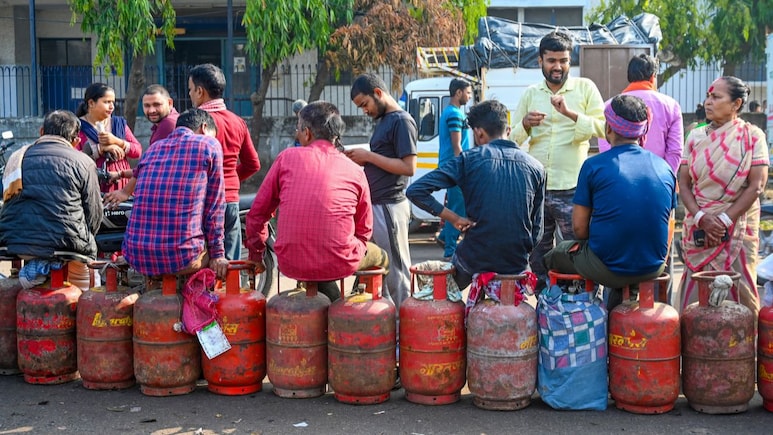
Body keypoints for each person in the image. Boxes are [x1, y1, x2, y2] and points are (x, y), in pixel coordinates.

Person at [245, 101, 389, 302]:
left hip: (290, 263)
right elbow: (365, 230)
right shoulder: (355, 170)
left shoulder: (286, 158)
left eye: (298, 129)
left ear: (307, 133)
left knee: (320, 265)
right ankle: (355, 303)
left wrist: (256, 256)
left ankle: (338, 302)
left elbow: (257, 215)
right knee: (382, 257)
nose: (296, 134)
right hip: (341, 261)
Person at [544, 94, 676, 311]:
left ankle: (570, 315)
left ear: (608, 129)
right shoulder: (665, 167)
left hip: (607, 268)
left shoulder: (593, 166)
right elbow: (667, 222)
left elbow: (579, 229)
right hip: (654, 266)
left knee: (555, 255)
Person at [407, 99, 546, 289]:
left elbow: (416, 191)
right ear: (508, 130)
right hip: (516, 264)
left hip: (474, 259)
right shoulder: (537, 167)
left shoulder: (468, 160)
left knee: (446, 294)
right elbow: (537, 232)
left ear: (478, 133)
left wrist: (454, 218)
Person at [509, 31, 605, 291]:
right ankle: (545, 300)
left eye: (563, 61)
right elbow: (512, 138)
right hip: (538, 189)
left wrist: (570, 114)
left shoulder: (585, 88)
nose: (558, 66)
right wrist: (525, 124)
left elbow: (604, 128)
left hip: (573, 187)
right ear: (540, 60)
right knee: (536, 251)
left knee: (578, 248)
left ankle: (581, 298)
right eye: (552, 60)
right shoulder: (531, 93)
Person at [678, 76, 769, 316]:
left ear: (736, 104)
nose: (708, 102)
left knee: (741, 287)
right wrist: (702, 218)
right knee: (696, 292)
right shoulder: (695, 136)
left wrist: (724, 220)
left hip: (738, 224)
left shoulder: (752, 136)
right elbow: (684, 184)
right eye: (708, 96)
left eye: (716, 97)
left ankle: (745, 338)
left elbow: (757, 186)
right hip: (699, 224)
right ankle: (693, 339)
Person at [0, 110, 102, 290]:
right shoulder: (84, 162)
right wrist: (86, 238)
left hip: (13, 241)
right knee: (89, 284)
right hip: (67, 243)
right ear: (75, 140)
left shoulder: (16, 157)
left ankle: (33, 275)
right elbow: (94, 214)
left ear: (41, 131)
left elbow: (8, 201)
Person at [122, 108, 228, 280]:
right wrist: (217, 254)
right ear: (204, 127)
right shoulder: (209, 144)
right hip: (182, 257)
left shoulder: (153, 148)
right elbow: (214, 207)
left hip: (136, 254)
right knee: (211, 258)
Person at [348, 73, 417, 316]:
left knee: (397, 271)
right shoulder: (385, 121)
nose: (364, 111)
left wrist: (368, 156)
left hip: (389, 206)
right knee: (382, 270)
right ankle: (390, 324)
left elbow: (408, 167)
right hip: (377, 206)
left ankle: (404, 325)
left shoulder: (402, 121)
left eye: (365, 104)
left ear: (378, 93)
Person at [188, 63, 261, 261]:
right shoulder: (238, 121)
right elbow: (253, 164)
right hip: (230, 201)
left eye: (191, 90)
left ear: (200, 91)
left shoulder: (195, 124)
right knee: (231, 265)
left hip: (203, 202)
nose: (190, 95)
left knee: (202, 264)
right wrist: (230, 179)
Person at [597, 54, 683, 173]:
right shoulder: (671, 106)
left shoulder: (609, 106)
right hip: (658, 176)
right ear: (653, 77)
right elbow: (675, 151)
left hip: (618, 177)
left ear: (629, 76)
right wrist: (666, 177)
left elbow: (605, 147)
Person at [103, 84, 179, 206]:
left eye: (157, 105)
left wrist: (125, 192)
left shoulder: (168, 124)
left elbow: (146, 164)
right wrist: (120, 174)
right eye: (147, 106)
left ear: (169, 103)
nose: (151, 110)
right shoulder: (165, 123)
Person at [75, 82, 142, 193]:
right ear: (91, 103)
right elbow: (74, 158)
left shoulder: (118, 124)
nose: (112, 106)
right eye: (106, 102)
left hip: (121, 183)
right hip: (93, 184)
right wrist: (100, 149)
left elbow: (137, 152)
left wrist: (117, 142)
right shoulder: (78, 127)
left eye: (113, 102)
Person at [436, 78, 472, 261]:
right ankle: (450, 251)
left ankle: (444, 237)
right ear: (458, 92)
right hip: (455, 167)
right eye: (468, 92)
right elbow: (457, 145)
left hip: (450, 165)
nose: (469, 96)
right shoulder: (455, 115)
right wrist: (463, 168)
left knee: (455, 205)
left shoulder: (450, 112)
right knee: (458, 209)